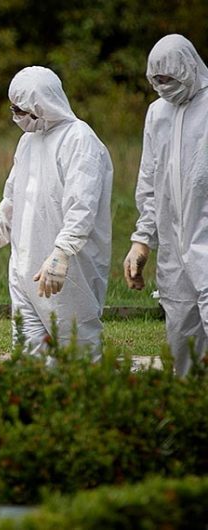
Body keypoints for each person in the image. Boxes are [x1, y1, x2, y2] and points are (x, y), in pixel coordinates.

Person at [0, 66, 113, 360]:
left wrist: (62, 252)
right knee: (30, 357)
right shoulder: (28, 142)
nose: (15, 116)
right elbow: (14, 199)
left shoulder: (80, 140)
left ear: (40, 106)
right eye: (13, 109)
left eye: (20, 110)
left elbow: (82, 206)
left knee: (77, 351)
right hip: (25, 269)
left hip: (68, 271)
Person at [124, 34, 208, 376]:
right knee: (180, 331)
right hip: (175, 247)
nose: (162, 86)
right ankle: (188, 410)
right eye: (155, 81)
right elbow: (150, 180)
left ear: (188, 69)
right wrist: (142, 241)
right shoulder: (157, 113)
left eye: (168, 79)